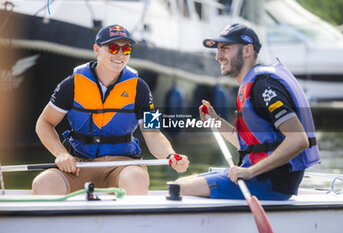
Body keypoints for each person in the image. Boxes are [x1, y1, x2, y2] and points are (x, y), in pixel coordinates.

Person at [32, 24, 189, 195]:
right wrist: (61, 154)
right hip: (80, 164)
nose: (120, 55)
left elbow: (153, 133)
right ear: (97, 50)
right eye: (113, 48)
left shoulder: (140, 88)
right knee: (43, 183)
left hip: (123, 165)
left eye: (126, 49)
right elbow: (44, 123)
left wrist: (170, 156)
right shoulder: (72, 84)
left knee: (136, 179)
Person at [176, 23, 320, 200]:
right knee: (181, 183)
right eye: (218, 50)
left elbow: (299, 139)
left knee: (179, 189)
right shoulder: (252, 87)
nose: (218, 56)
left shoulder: (264, 87)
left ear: (247, 50)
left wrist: (250, 172)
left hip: (269, 182)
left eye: (225, 49)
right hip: (262, 178)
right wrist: (214, 120)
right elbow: (246, 143)